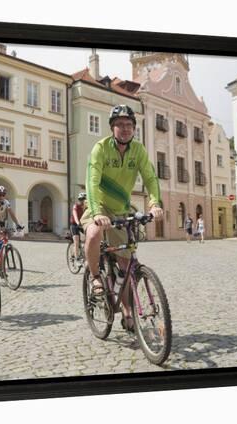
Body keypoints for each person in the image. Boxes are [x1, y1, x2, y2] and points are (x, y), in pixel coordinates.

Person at [81, 104, 164, 332]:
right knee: (95, 232)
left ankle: (128, 313)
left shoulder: (138, 150)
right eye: (119, 125)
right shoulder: (101, 148)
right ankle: (96, 276)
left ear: (134, 128)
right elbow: (92, 181)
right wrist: (97, 212)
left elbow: (150, 177)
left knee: (126, 265)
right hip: (98, 207)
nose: (125, 129)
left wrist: (155, 203)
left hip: (121, 210)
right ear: (112, 128)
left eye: (129, 125)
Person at [70, 192, 87, 260]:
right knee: (76, 241)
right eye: (80, 199)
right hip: (74, 225)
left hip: (82, 225)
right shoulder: (76, 206)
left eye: (83, 199)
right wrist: (77, 222)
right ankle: (76, 258)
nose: (82, 201)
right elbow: (75, 214)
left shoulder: (86, 208)